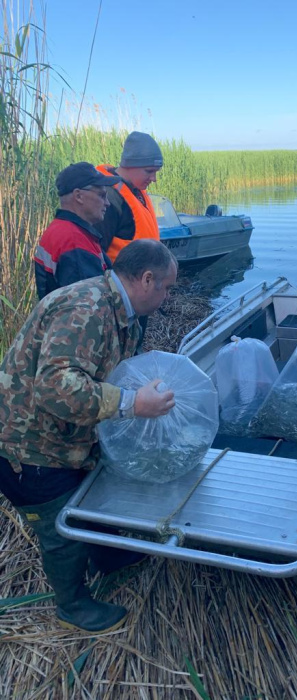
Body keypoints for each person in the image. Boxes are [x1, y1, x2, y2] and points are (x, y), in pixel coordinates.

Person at [0, 240, 178, 633]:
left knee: (95, 493)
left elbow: (104, 370)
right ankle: (73, 605)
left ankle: (109, 557)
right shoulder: (88, 308)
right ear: (147, 279)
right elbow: (55, 387)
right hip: (29, 446)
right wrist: (132, 403)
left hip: (68, 434)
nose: (166, 298)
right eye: (166, 288)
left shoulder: (117, 308)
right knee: (61, 527)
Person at [34, 162, 121, 300]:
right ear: (79, 196)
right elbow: (88, 307)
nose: (107, 203)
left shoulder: (60, 229)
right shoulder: (74, 241)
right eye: (102, 195)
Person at [95, 131, 163, 262]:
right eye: (149, 171)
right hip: (120, 280)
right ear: (130, 165)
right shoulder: (108, 198)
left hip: (144, 278)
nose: (154, 178)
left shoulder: (136, 189)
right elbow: (95, 255)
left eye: (156, 172)